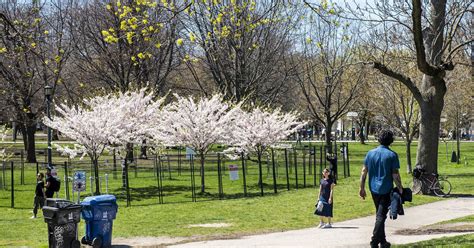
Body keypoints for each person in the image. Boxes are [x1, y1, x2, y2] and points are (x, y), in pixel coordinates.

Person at [359, 130, 403, 248]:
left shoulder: (370, 153)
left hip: (373, 189)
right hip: (386, 189)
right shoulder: (392, 155)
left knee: (380, 214)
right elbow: (395, 174)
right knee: (381, 216)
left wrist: (361, 188)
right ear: (391, 141)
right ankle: (374, 241)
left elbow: (364, 172)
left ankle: (383, 241)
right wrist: (400, 188)